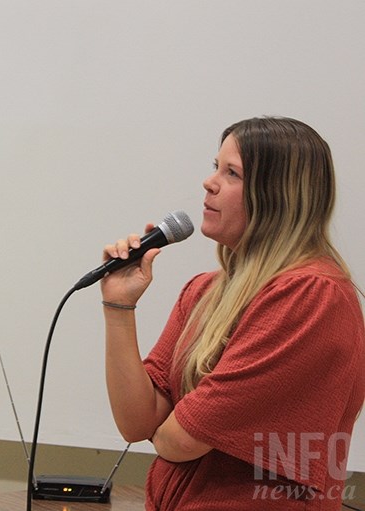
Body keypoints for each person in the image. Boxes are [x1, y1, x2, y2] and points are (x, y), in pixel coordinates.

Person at [99, 117, 364, 510]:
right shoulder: (206, 291)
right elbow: (137, 422)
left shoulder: (310, 296)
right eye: (215, 167)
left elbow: (179, 440)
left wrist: (167, 429)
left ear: (279, 194)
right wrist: (119, 306)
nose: (210, 183)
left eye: (232, 173)